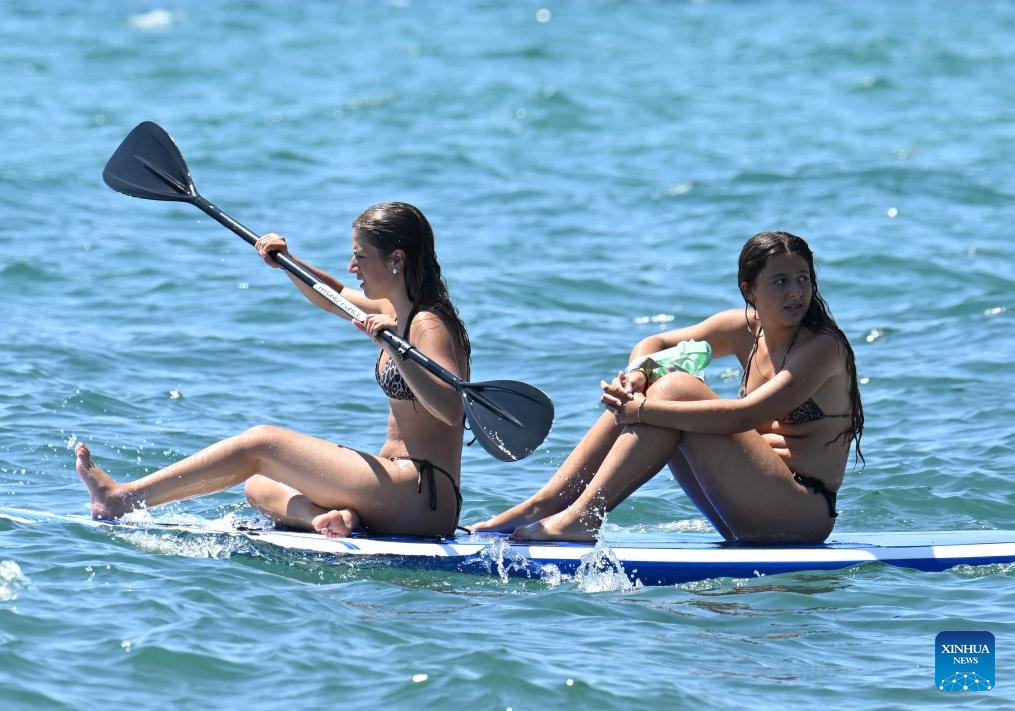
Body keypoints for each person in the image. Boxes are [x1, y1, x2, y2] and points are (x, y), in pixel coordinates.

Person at [75, 202, 471, 539]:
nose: (352, 266)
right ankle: (328, 519)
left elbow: (451, 408)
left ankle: (122, 499)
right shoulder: (393, 312)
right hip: (397, 488)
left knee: (260, 443)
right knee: (260, 484)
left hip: (423, 495)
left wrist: (397, 352)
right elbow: (332, 297)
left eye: (361, 256)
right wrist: (287, 262)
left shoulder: (427, 325)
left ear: (396, 260)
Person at [471, 231, 863, 544]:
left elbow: (747, 415)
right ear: (750, 291)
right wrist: (637, 376)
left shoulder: (822, 347)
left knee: (675, 389)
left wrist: (641, 411)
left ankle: (583, 517)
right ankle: (547, 504)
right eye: (780, 282)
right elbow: (655, 345)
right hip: (746, 509)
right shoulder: (744, 329)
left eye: (803, 279)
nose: (795, 292)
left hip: (801, 513)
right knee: (660, 379)